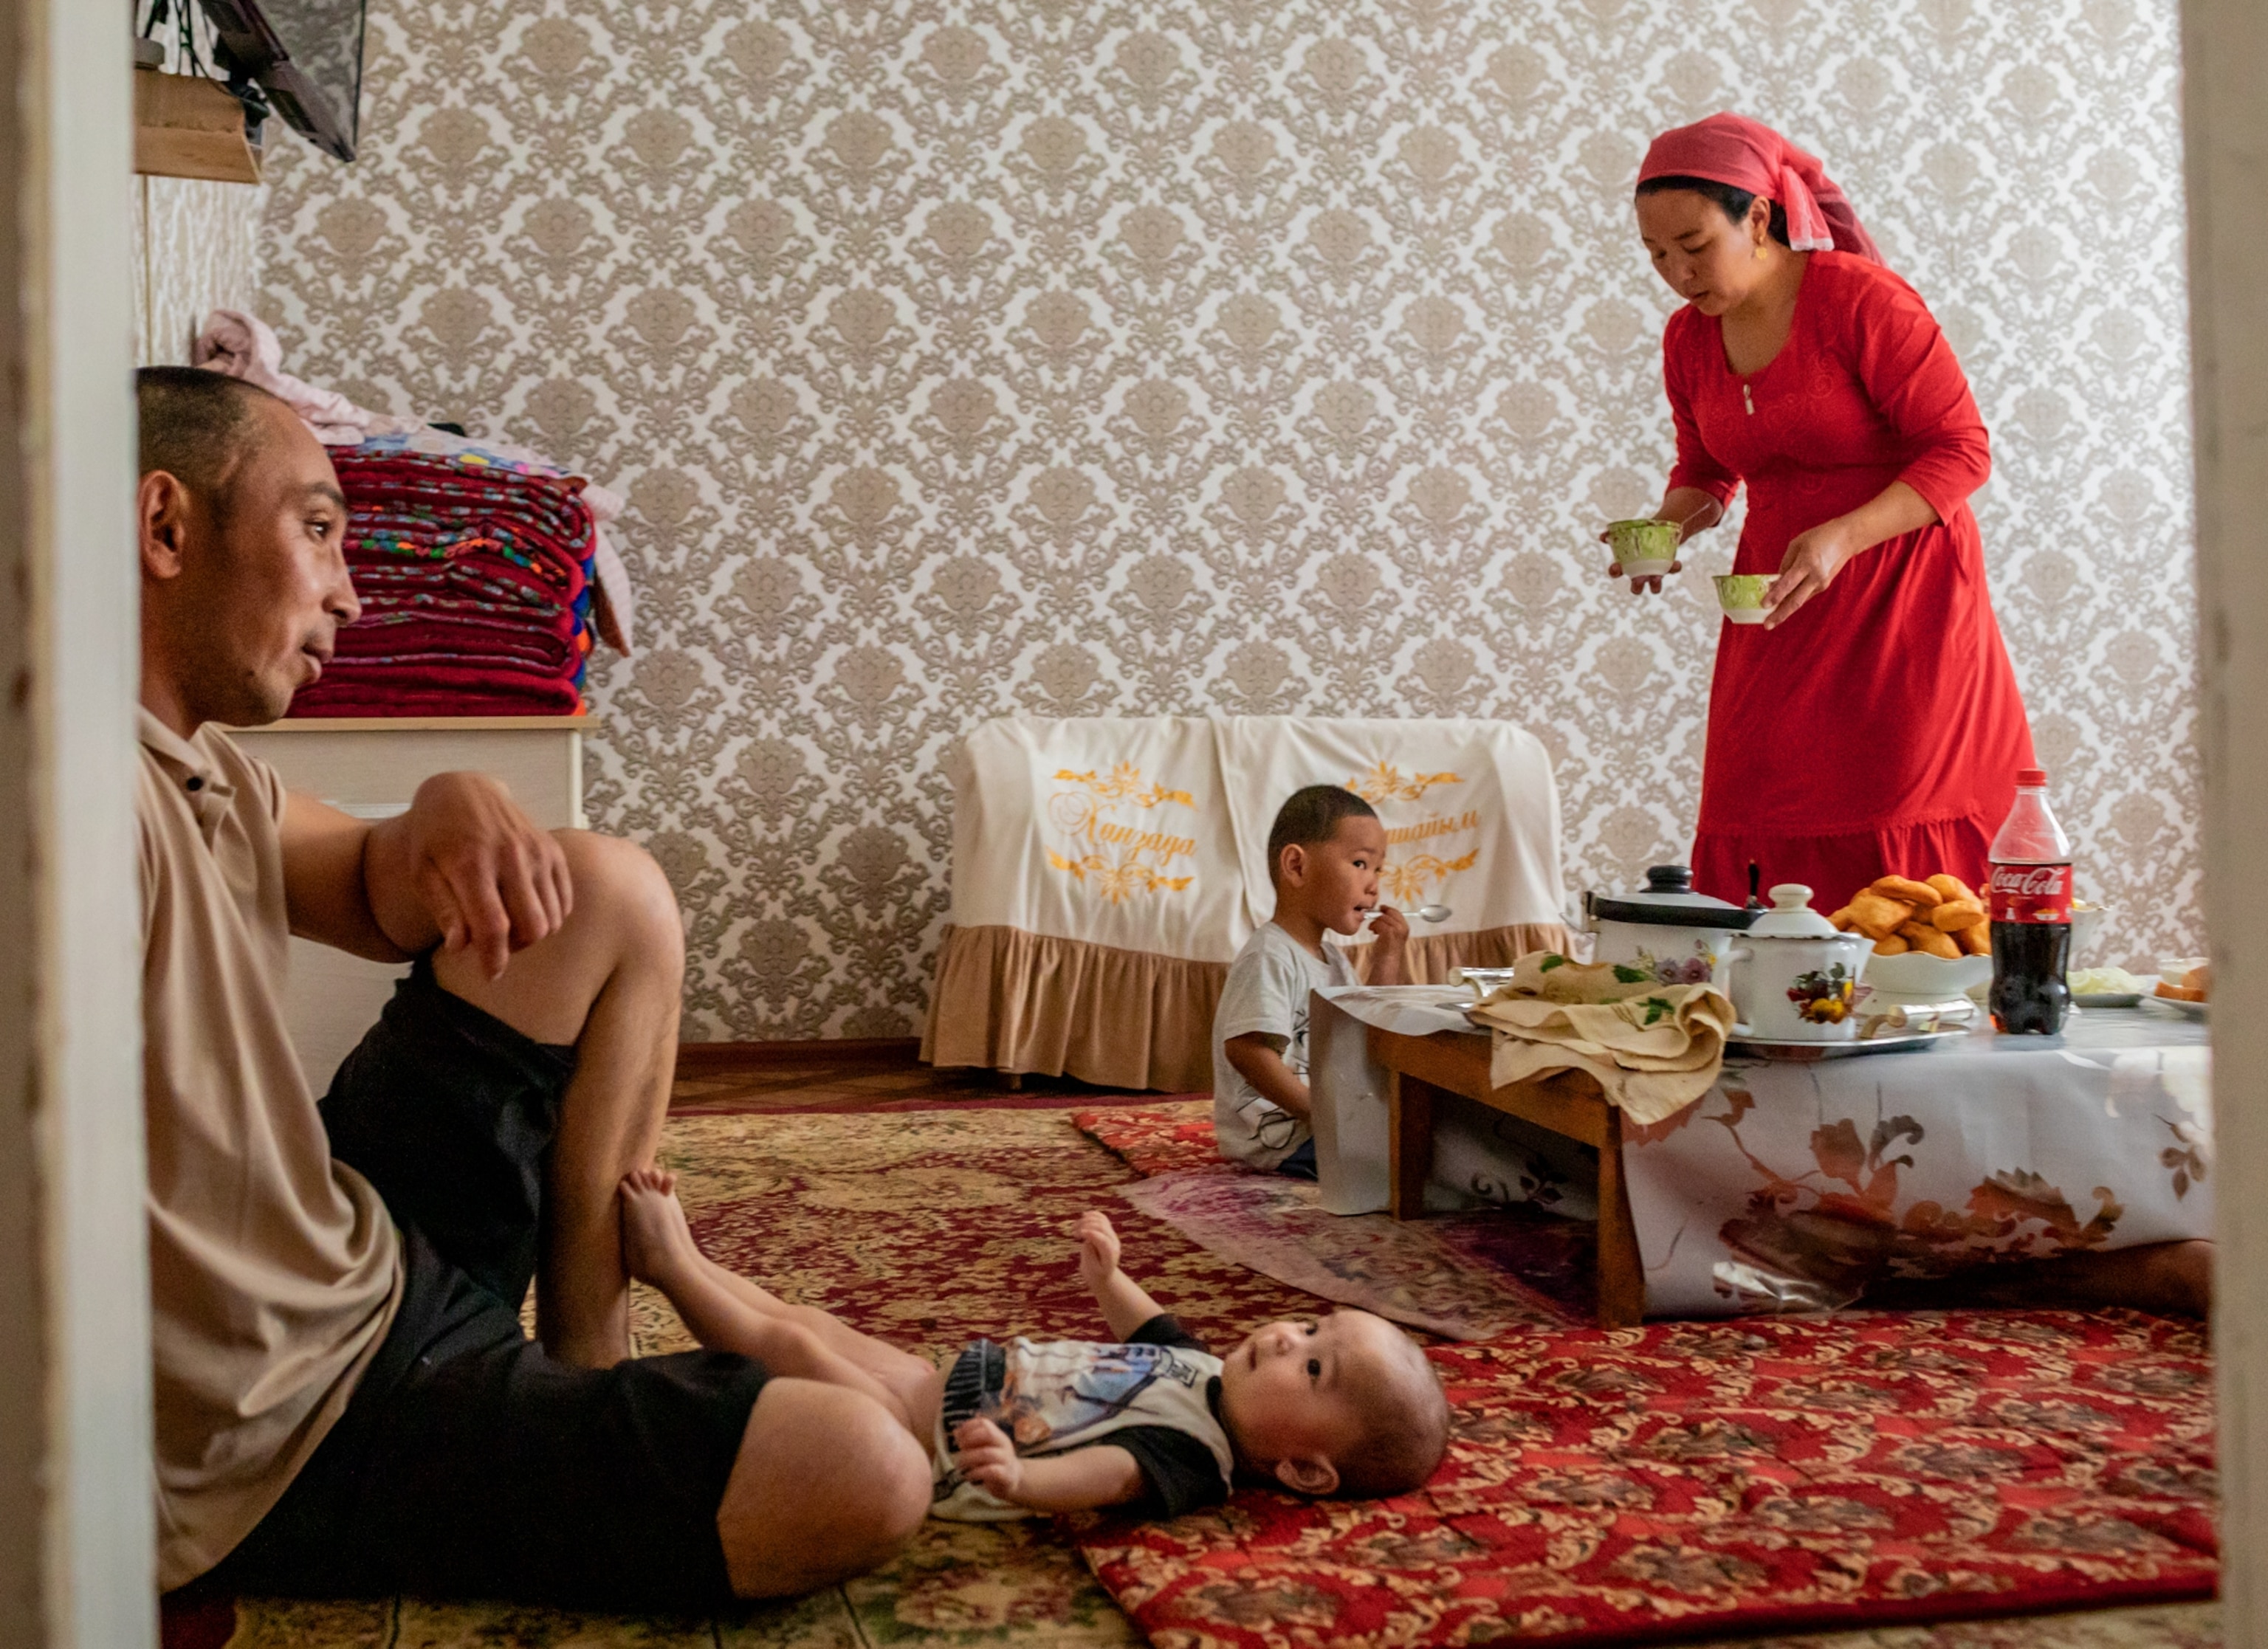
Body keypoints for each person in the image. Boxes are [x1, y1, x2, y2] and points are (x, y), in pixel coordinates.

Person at [135, 367, 929, 1611]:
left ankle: (577, 1361)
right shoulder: (68, 804)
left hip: (356, 1257)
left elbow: (372, 879)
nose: (348, 588)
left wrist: (443, 806)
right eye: (321, 527)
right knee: (863, 1468)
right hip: (280, 1418)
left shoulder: (203, 769)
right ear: (167, 528)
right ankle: (538, 1420)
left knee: (604, 888)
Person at [1611, 112, 2035, 913]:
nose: (1675, 271)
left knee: (1896, 811)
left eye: (1694, 246)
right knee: (1763, 800)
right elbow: (1707, 470)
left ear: (1760, 218)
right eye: (1656, 254)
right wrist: (1668, 527)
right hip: (1781, 607)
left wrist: (1844, 535)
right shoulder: (1688, 340)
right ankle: (1789, 1017)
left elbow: (1962, 450)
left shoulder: (1861, 301)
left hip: (1906, 600)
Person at [618, 1175, 1451, 1518]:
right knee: (807, 1319)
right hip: (944, 1378)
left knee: (788, 1348)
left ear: (1305, 1467)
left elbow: (1108, 1474)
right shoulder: (1205, 1372)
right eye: (1310, 1325)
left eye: (1314, 1365)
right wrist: (1108, 1277)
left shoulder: (1196, 1457)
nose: (1283, 1334)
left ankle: (670, 1267)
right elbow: (1147, 1325)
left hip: (933, 1441)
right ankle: (699, 1259)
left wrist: (1022, 1479)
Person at [1213, 785, 1409, 1177]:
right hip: (1280, 1139)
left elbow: (1369, 1033)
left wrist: (1388, 955)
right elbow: (1247, 1051)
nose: (1373, 884)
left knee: (1419, 1133)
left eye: (1378, 869)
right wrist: (1324, 1114)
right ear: (1297, 867)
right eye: (1359, 864)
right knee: (1408, 1157)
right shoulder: (1270, 955)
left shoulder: (1333, 960)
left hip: (1320, 1127)